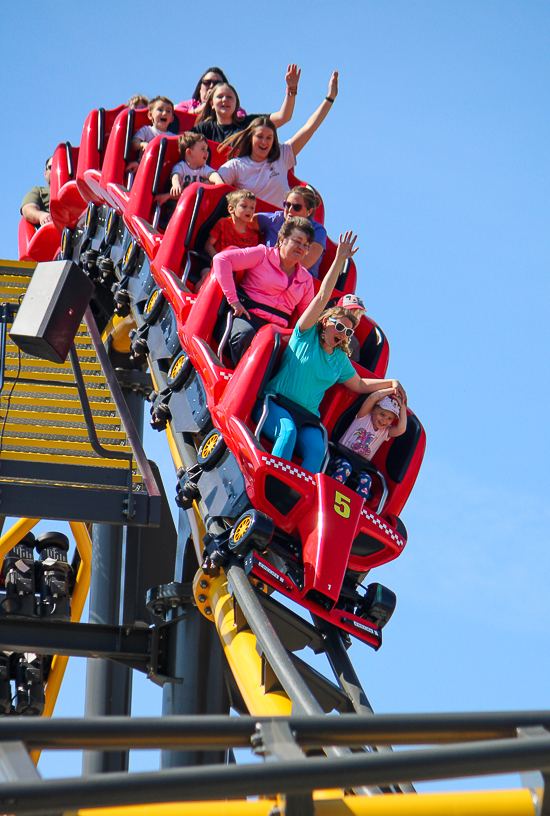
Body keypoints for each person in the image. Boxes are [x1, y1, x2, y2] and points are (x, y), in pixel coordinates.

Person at [254, 231, 406, 474]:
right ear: (326, 323)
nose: (343, 333)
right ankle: (273, 480)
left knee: (317, 449)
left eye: (348, 332)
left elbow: (359, 385)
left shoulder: (339, 360)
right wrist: (339, 259)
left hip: (306, 416)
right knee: (287, 432)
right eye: (339, 326)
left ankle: (295, 500)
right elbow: (324, 295)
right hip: (276, 403)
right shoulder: (306, 334)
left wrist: (391, 383)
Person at [210, 71, 338, 208]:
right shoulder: (237, 166)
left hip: (279, 225)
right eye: (259, 137)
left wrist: (330, 98)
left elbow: (310, 127)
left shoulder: (282, 157)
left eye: (269, 138)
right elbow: (214, 184)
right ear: (250, 138)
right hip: (252, 225)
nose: (264, 142)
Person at [213, 217, 315, 365]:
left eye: (305, 245)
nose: (301, 247)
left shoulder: (306, 279)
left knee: (297, 360)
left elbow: (308, 316)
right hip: (246, 319)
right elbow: (222, 259)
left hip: (277, 332)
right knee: (247, 336)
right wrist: (233, 300)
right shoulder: (263, 255)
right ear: (282, 239)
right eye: (297, 241)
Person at [192, 65, 301, 144]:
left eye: (230, 97)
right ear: (212, 104)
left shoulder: (248, 124)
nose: (225, 100)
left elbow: (284, 117)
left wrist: (291, 89)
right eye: (220, 97)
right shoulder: (203, 129)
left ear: (236, 103)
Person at [330, 390, 407, 499]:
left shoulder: (384, 432)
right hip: (340, 456)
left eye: (389, 418)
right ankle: (330, 495)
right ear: (373, 409)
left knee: (367, 480)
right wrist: (391, 389)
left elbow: (401, 429)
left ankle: (356, 507)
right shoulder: (363, 417)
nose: (384, 420)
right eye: (382, 414)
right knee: (345, 467)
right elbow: (372, 398)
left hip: (359, 467)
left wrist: (402, 405)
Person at [253, 186, 326, 277]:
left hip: (300, 284)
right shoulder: (276, 220)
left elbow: (302, 264)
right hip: (266, 275)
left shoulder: (317, 231)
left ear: (309, 211)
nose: (290, 210)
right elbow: (243, 220)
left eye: (297, 207)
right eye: (287, 205)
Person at [196, 190, 261, 291]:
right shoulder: (223, 223)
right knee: (206, 278)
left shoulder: (253, 237)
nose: (249, 210)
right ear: (231, 209)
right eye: (244, 206)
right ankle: (196, 302)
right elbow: (208, 245)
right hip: (211, 263)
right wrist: (217, 259)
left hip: (234, 273)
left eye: (252, 208)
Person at [176, 67, 247, 116]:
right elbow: (175, 120)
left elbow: (241, 121)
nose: (211, 86)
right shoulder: (186, 105)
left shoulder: (233, 107)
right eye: (207, 82)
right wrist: (200, 110)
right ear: (200, 89)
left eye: (217, 83)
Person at [21, 157, 52, 228]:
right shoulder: (39, 191)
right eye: (51, 167)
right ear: (45, 173)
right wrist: (41, 215)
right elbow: (27, 209)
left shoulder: (75, 186)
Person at [336, 294, 366, 362]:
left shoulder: (353, 343)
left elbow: (351, 369)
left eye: (358, 315)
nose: (354, 319)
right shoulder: (324, 326)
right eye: (350, 313)